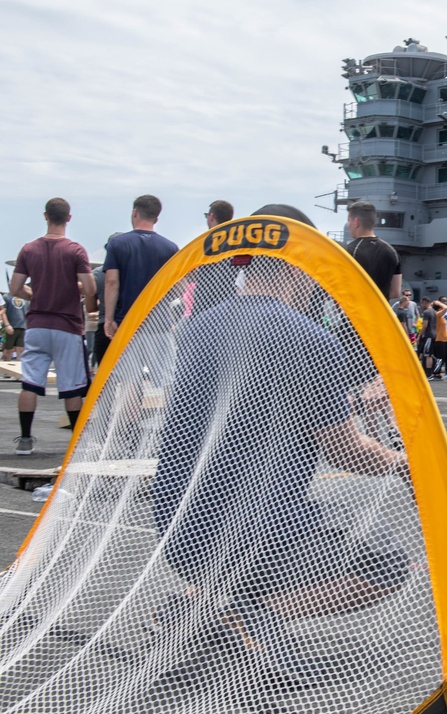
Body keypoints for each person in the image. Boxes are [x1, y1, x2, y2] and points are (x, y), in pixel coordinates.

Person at [150, 248, 409, 682]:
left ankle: (198, 602)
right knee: (386, 562)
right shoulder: (312, 339)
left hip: (177, 525)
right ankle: (249, 614)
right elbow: (346, 452)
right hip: (255, 530)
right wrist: (403, 463)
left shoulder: (198, 326)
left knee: (290, 518)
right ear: (300, 268)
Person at [9, 198, 97, 455]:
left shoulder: (29, 249)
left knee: (30, 383)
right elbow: (90, 288)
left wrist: (32, 295)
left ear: (45, 216)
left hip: (37, 324)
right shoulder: (76, 250)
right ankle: (76, 443)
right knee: (71, 385)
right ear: (69, 218)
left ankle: (25, 439)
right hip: (67, 326)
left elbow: (15, 288)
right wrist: (76, 288)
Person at [103, 195, 179, 341]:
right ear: (156, 219)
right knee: (158, 365)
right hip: (159, 323)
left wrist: (109, 319)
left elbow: (111, 282)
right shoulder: (170, 248)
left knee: (127, 365)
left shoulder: (117, 244)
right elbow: (178, 288)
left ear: (135, 213)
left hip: (126, 322)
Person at [343, 200, 401, 301]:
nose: (348, 225)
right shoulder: (392, 252)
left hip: (357, 313)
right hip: (381, 314)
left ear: (356, 222)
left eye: (349, 220)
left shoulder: (349, 251)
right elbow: (395, 292)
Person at [2, 292, 28, 361]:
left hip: (23, 326)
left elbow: (28, 311)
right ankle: (6, 369)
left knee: (21, 349)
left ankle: (19, 368)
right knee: (8, 349)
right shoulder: (6, 297)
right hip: (11, 326)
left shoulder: (26, 297)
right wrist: (7, 325)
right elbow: (3, 311)